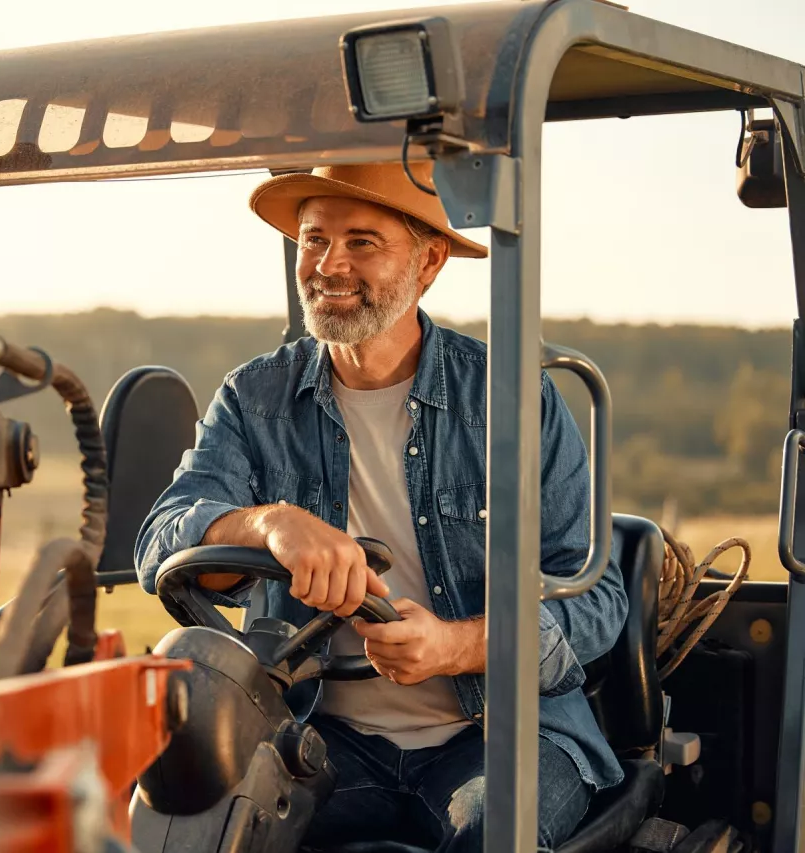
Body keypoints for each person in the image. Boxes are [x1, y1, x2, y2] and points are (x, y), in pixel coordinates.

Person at [133, 162, 628, 851]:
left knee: (494, 833)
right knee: (201, 826)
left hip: (498, 732)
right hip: (320, 738)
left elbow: (597, 596)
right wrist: (271, 523)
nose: (328, 264)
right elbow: (162, 540)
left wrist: (456, 646)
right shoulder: (253, 398)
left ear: (428, 263)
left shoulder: (511, 397)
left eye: (361, 242)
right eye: (313, 240)